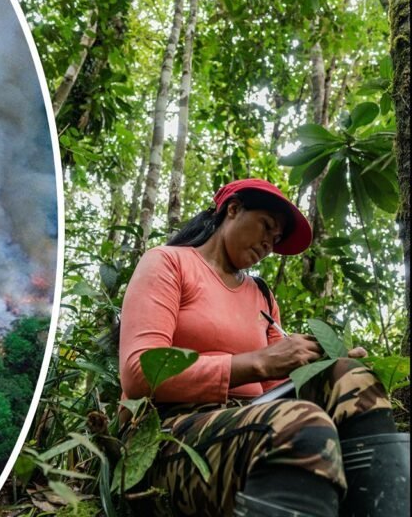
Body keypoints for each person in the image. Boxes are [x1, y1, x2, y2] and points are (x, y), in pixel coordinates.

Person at [119, 178, 409, 517]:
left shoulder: (261, 296)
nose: (268, 244)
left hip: (246, 421)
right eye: (266, 227)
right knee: (301, 425)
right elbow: (139, 373)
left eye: (275, 239)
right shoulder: (168, 263)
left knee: (352, 378)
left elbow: (276, 389)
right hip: (163, 437)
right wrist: (256, 362)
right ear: (233, 209)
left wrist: (328, 364)